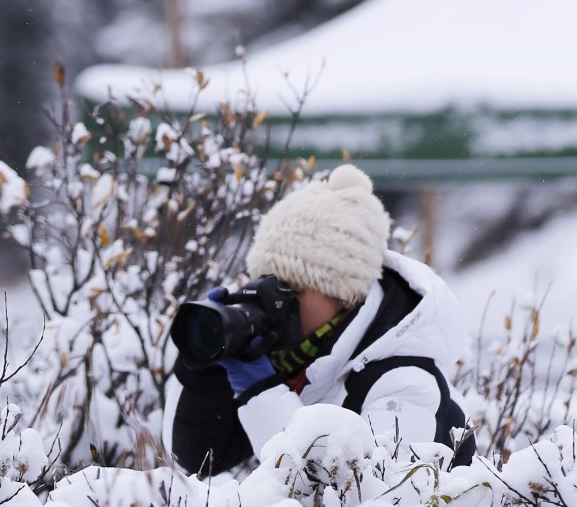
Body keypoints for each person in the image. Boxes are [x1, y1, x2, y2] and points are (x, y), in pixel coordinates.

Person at [165, 163, 472, 477]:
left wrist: (263, 393)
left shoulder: (405, 382)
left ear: (343, 294)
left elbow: (364, 504)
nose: (276, 301)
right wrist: (206, 369)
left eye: (293, 288)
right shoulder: (300, 360)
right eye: (270, 281)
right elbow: (198, 457)